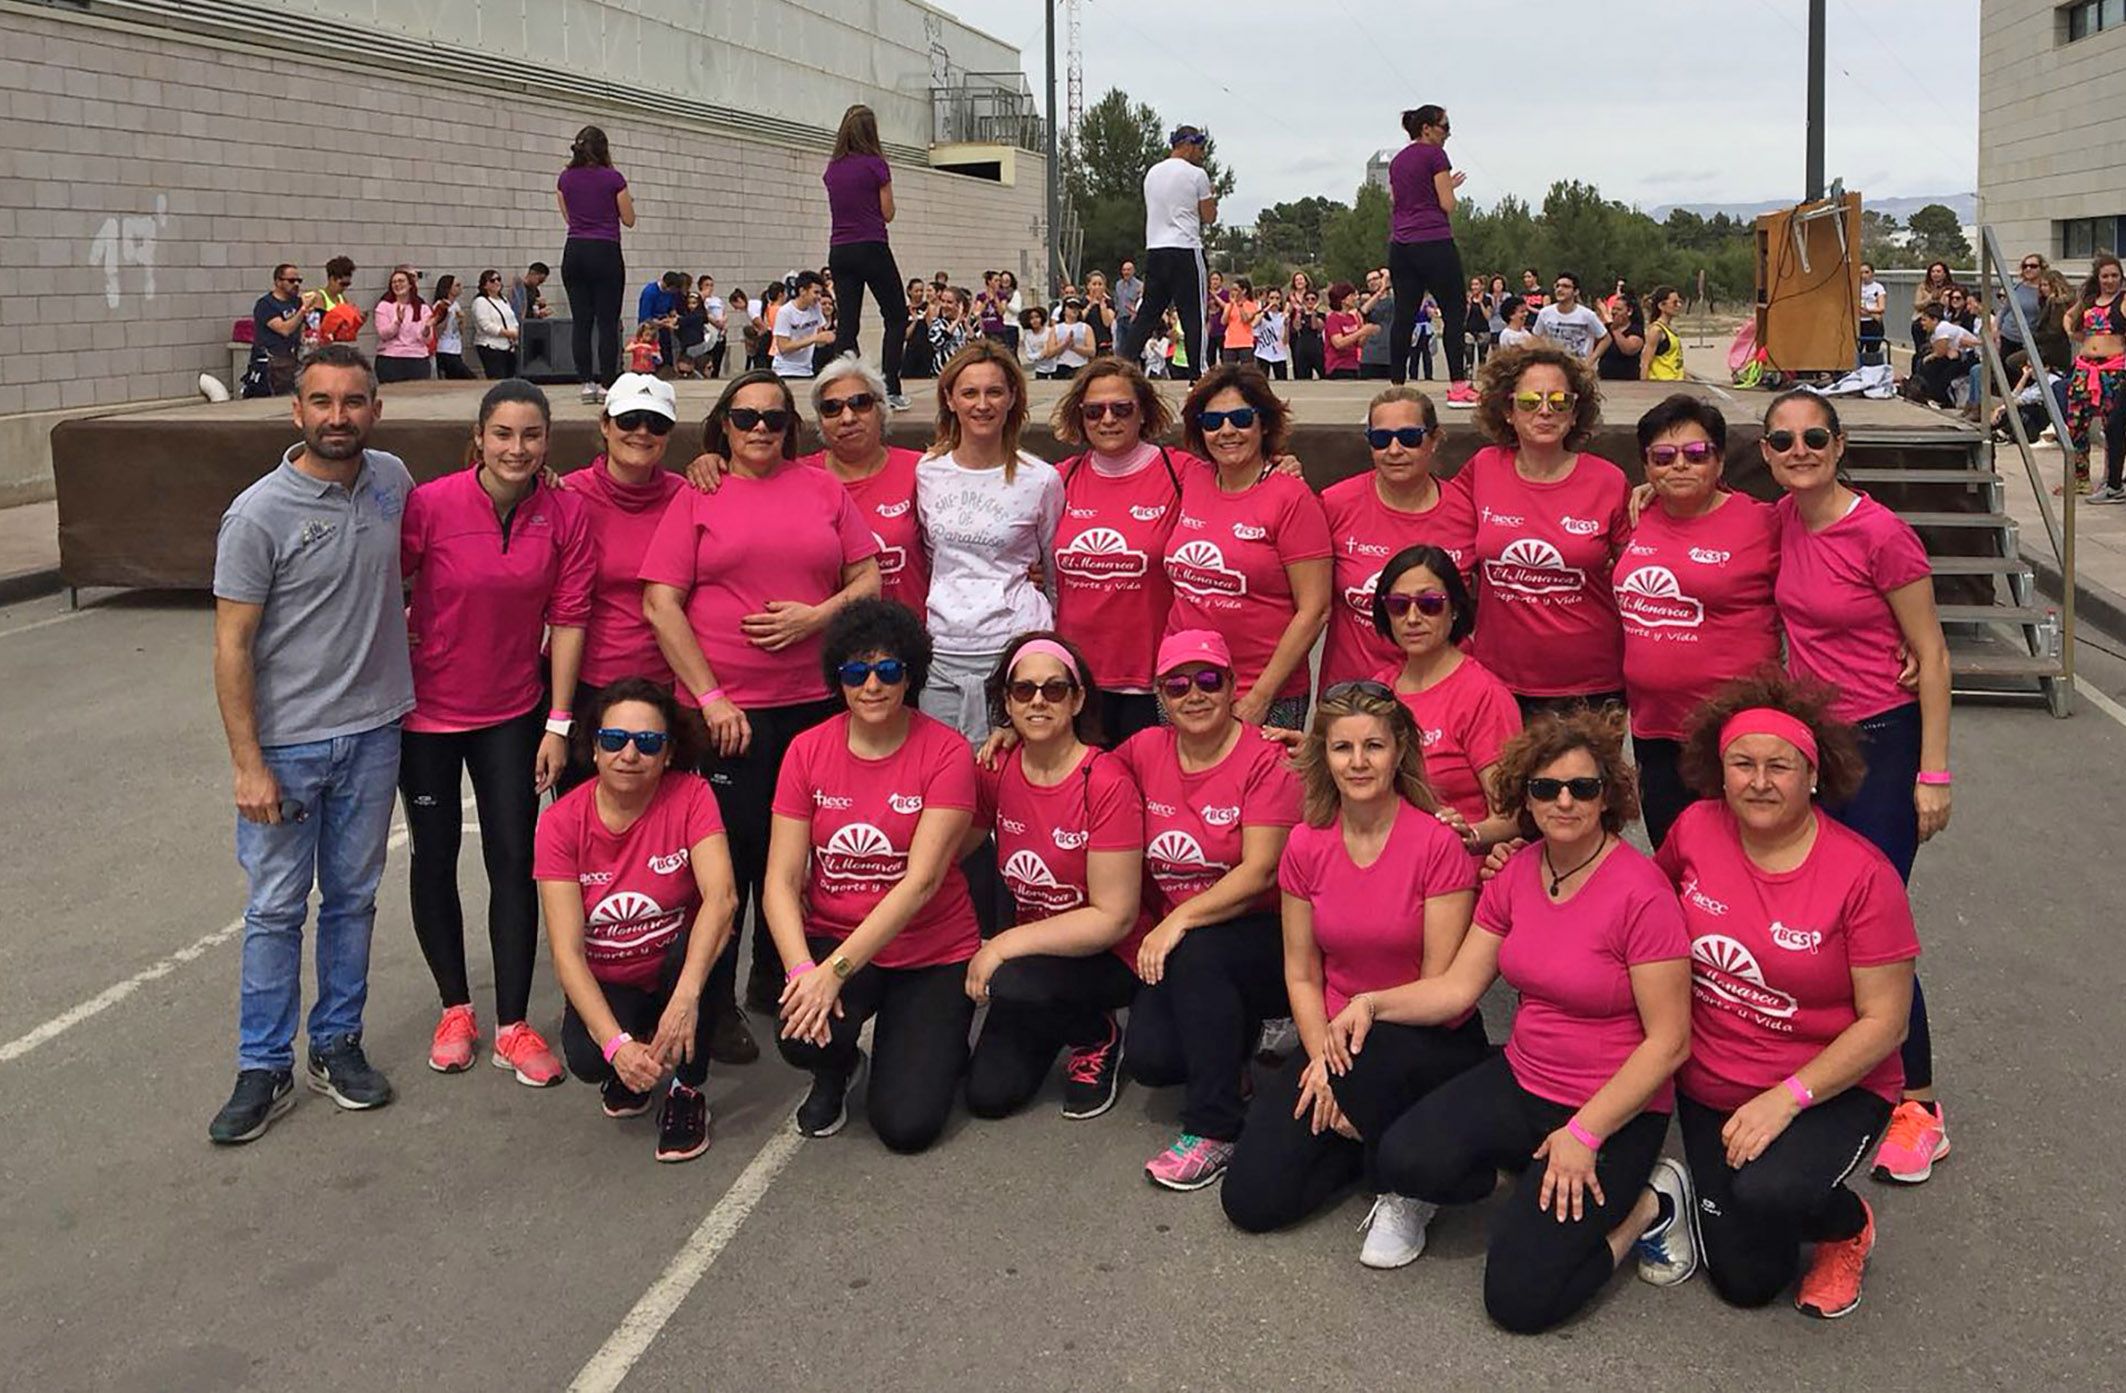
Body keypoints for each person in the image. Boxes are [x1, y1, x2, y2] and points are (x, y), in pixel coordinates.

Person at [1334, 708, 1691, 1333]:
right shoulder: (1518, 872)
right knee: (1402, 1156)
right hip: (1522, 1078)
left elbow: (1669, 1042)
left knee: (1520, 1302)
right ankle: (1529, 1179)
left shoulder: (1642, 894)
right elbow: (1457, 988)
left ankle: (1648, 1206)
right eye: (1545, 787)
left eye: (1583, 787)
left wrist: (1584, 1135)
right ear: (1524, 795)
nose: (1564, 801)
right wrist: (1370, 1003)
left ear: (1608, 796)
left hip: (1610, 1108)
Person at [1629, 673, 1917, 1318]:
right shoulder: (1697, 828)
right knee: (1746, 1283)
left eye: (1780, 766)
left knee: (1772, 1195)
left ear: (1813, 775)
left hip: (1823, 1086)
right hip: (1709, 1083)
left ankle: (1846, 1227)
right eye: (1743, 764)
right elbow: (1636, 905)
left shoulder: (1862, 875)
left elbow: (1886, 1022)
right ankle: (1683, 1186)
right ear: (1719, 771)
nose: (1759, 781)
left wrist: (1785, 1101)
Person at [207, 345, 410, 1143]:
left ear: (374, 409)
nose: (338, 416)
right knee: (275, 909)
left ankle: (336, 1044)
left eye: (353, 401)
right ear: (296, 411)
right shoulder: (258, 513)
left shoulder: (393, 481)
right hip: (287, 747)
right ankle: (262, 1065)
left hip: (374, 732)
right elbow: (231, 646)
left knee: (353, 900)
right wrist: (248, 763)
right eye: (321, 402)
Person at [1220, 678, 1490, 1263]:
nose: (1359, 762)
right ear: (1324, 755)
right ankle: (1359, 1150)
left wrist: (1351, 1080)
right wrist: (1322, 1060)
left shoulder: (1436, 844)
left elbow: (1439, 987)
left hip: (1422, 1033)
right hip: (1335, 1036)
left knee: (1384, 1125)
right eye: (1344, 747)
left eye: (1375, 746)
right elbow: (1301, 974)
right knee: (1251, 1201)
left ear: (1399, 752)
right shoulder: (1305, 845)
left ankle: (1399, 1168)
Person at [641, 371, 883, 1019]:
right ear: (723, 422)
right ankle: (713, 1002)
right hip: (726, 710)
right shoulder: (700, 491)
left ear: (790, 428)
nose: (758, 430)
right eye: (745, 417)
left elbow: (868, 576)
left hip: (812, 704)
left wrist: (816, 617)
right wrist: (712, 696)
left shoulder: (823, 487)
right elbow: (661, 604)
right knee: (729, 863)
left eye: (773, 420)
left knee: (799, 853)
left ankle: (774, 974)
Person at [1760, 389, 1953, 1185]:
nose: (1798, 449)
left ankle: (1922, 1106)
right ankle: (1846, 1075)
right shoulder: (1780, 519)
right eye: (1782, 440)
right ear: (1767, 453)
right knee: (1814, 916)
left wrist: (1934, 772)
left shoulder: (1881, 534)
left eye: (1814, 436)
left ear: (1838, 445)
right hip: (1817, 751)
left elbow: (1932, 654)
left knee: (1875, 929)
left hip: (1882, 741)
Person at [400, 378, 594, 1088]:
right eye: (504, 434)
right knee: (435, 856)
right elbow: (382, 585)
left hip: (513, 713)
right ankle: (456, 1009)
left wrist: (559, 720)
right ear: (480, 437)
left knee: (515, 861)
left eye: (532, 435)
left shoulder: (565, 514)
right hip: (424, 716)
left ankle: (513, 1021)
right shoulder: (431, 504)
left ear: (548, 441)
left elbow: (570, 619)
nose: (518, 448)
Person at [765, 600, 982, 1149]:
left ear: (909, 675)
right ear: (838, 679)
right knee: (799, 1030)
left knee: (906, 1127)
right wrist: (800, 973)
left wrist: (833, 971)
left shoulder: (947, 752)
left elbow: (923, 882)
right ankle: (837, 1069)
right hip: (836, 932)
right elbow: (781, 881)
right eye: (855, 672)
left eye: (888, 670)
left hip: (929, 948)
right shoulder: (806, 750)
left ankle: (934, 1037)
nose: (872, 686)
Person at [1118, 630, 1303, 1189]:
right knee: (1153, 1061)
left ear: (1231, 686)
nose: (1193, 695)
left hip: (1267, 935)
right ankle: (1236, 1058)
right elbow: (1075, 769)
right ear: (1160, 696)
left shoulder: (1266, 758)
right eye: (1177, 685)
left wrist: (1176, 919)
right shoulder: (1143, 750)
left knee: (1199, 950)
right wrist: (1007, 736)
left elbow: (1261, 870)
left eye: (1208, 681)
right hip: (1191, 946)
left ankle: (1214, 1129)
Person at [534, 680, 739, 1163]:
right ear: (594, 747)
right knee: (588, 1059)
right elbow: (566, 952)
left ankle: (688, 1092)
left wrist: (686, 997)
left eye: (648, 743)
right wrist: (616, 1045)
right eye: (614, 740)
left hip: (676, 966)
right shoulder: (561, 822)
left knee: (710, 943)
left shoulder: (692, 795)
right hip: (613, 975)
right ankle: (637, 1055)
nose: (630, 754)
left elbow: (723, 897)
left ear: (668, 753)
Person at [963, 633, 1144, 1120]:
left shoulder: (1104, 781)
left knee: (1013, 980)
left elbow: (1114, 918)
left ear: (1078, 697)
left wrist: (1000, 945)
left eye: (1054, 689)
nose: (1038, 700)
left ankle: (1095, 1034)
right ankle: (1051, 1020)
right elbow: (958, 847)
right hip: (1038, 952)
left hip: (1108, 955)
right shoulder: (996, 768)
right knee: (988, 1096)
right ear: (1006, 700)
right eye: (1023, 690)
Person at [1615, 396, 1780, 849]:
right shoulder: (1635, 516)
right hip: (1654, 729)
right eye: (1663, 457)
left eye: (1696, 454)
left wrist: (1901, 639)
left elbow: (1824, 584)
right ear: (1646, 466)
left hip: (1734, 731)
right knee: (1673, 856)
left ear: (1720, 459)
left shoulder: (1763, 522)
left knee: (1737, 860)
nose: (1680, 466)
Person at [1462, 340, 1629, 714]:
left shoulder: (1609, 481)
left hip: (1591, 684)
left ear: (1574, 414)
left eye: (1559, 402)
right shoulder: (1483, 468)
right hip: (1498, 679)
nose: (1544, 412)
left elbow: (1639, 570)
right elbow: (1427, 505)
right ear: (1508, 411)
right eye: (1529, 402)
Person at [1164, 365, 1331, 729]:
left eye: (1240, 418)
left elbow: (1315, 609)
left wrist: (1260, 696)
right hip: (1185, 684)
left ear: (1264, 423)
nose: (1226, 431)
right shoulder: (1188, 477)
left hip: (1262, 691)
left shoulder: (1291, 496)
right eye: (1213, 421)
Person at [1048, 360, 1202, 744]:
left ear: (1144, 412)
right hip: (1078, 680)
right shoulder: (1059, 478)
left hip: (1150, 682)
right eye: (1094, 411)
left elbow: (1241, 481)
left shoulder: (1180, 472)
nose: (1108, 420)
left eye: (1122, 409)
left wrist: (1280, 465)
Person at [556, 374, 688, 789]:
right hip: (588, 684)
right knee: (584, 817)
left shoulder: (690, 495)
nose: (642, 432)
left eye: (656, 423)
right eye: (629, 419)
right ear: (605, 424)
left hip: (668, 683)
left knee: (665, 824)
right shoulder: (566, 494)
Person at [1318, 387, 1474, 689]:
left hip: (1444, 691)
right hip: (1356, 697)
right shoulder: (1333, 503)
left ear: (1435, 439)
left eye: (1409, 438)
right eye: (1380, 439)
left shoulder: (1467, 509)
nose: (1394, 450)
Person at [1372, 545, 1522, 853]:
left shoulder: (1483, 694)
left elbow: (1510, 817)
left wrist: (1465, 834)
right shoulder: (1378, 689)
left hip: (1454, 867)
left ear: (1454, 608)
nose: (1413, 618)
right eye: (1399, 605)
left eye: (1429, 604)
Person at [821, 104, 912, 410]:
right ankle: (890, 389)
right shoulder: (876, 165)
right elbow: (888, 213)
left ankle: (844, 391)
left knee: (847, 324)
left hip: (839, 250)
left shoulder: (832, 169)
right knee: (896, 315)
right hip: (872, 245)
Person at [1385, 105, 1476, 405]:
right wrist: (1449, 190)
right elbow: (1447, 204)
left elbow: (1402, 200)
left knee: (1404, 315)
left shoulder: (1397, 161)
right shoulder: (1436, 155)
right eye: (1444, 127)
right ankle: (1459, 387)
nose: (1447, 133)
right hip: (1434, 240)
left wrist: (1441, 187)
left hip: (1401, 244)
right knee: (1453, 312)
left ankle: (1396, 386)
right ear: (1427, 128)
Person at [1118, 125, 1217, 381]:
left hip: (1156, 249)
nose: (1202, 154)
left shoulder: (1152, 173)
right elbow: (1209, 217)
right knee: (1193, 313)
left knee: (1149, 312)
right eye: (1200, 148)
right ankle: (1198, 374)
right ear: (1188, 144)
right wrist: (1210, 198)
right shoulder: (1197, 175)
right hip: (1185, 248)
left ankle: (1121, 366)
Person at [557, 124, 636, 403]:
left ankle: (586, 383)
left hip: (575, 249)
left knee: (581, 321)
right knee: (606, 321)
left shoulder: (565, 178)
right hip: (605, 251)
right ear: (604, 149)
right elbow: (628, 219)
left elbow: (568, 217)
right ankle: (606, 384)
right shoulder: (614, 178)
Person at [2067, 253, 2126, 500]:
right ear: (2098, 278)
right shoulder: (2089, 301)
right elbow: (2069, 318)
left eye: (2114, 276)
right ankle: (2080, 478)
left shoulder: (2123, 300)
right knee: (2076, 423)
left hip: (2113, 368)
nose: (2110, 280)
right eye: (2105, 276)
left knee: (2110, 426)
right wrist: (2078, 336)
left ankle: (2110, 479)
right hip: (2084, 367)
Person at [243, 264, 315, 398]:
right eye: (291, 281)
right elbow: (284, 329)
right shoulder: (266, 304)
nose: (296, 284)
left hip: (291, 360)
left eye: (299, 281)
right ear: (278, 282)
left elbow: (304, 327)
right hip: (271, 363)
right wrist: (303, 310)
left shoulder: (296, 302)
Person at [1913, 302, 1980, 408]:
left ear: (1934, 320)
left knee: (1939, 369)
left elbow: (1940, 352)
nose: (1922, 323)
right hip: (1957, 355)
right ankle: (1927, 392)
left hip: (1970, 355)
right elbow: (1941, 350)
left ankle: (1942, 399)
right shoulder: (1934, 333)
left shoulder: (1942, 328)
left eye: (1925, 320)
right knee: (1925, 363)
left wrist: (1930, 357)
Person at [767, 271, 831, 380]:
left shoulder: (816, 308)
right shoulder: (785, 312)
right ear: (802, 291)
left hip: (807, 369)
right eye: (815, 292)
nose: (819, 297)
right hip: (786, 370)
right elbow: (783, 347)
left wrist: (826, 338)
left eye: (820, 293)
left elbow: (819, 338)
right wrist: (814, 338)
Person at [1534, 272, 1609, 365]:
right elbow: (1536, 337)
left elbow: (1606, 338)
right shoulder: (1545, 313)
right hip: (1554, 367)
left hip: (1578, 367)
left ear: (1576, 291)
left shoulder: (1587, 315)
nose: (1560, 289)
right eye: (1557, 286)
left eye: (1566, 286)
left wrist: (1590, 360)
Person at [470, 269, 521, 380]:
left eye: (498, 279)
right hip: (491, 346)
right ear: (485, 285)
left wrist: (516, 331)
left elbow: (512, 319)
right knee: (497, 376)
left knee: (510, 376)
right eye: (492, 280)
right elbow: (486, 325)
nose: (497, 282)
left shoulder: (504, 300)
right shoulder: (481, 302)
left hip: (508, 346)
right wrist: (507, 333)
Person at [429, 275, 474, 380]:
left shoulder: (456, 305)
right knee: (468, 377)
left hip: (455, 348)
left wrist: (462, 320)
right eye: (457, 285)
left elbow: (460, 331)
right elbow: (438, 329)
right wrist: (446, 314)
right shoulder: (440, 305)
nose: (460, 288)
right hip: (444, 349)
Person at [1908, 261, 1957, 355]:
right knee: (1918, 327)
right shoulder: (1923, 287)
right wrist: (1930, 298)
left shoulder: (1951, 288)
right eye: (1933, 271)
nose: (1935, 274)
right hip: (1924, 317)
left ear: (1945, 274)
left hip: (1943, 319)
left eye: (1938, 271)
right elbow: (1917, 305)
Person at [1596, 292, 1645, 382]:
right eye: (1613, 309)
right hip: (1604, 379)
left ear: (1629, 311)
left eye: (1619, 309)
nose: (1614, 312)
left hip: (1628, 381)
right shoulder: (1605, 329)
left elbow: (1628, 349)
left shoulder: (1636, 330)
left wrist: (1615, 329)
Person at [1641, 286, 1686, 381]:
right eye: (1674, 303)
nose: (1678, 306)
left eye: (1679, 302)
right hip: (1660, 383)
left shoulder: (1670, 329)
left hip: (1675, 381)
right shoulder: (1657, 330)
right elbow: (1645, 362)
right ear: (1661, 306)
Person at [1358, 270, 1397, 380]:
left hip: (1390, 354)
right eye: (1369, 281)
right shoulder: (1368, 301)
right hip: (1370, 355)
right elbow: (1364, 310)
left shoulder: (1393, 300)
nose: (1372, 282)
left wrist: (1388, 278)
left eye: (1375, 279)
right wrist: (1381, 290)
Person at [1322, 283, 1366, 379]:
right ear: (1343, 300)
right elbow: (1338, 343)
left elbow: (1360, 344)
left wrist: (1364, 329)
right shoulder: (1333, 318)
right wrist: (1360, 332)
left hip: (1353, 365)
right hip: (1337, 367)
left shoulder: (1352, 317)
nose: (1355, 298)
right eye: (1352, 295)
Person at [1050, 298, 1096, 380]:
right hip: (1062, 366)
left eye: (1077, 308)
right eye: (1071, 307)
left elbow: (1092, 351)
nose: (1074, 310)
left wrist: (1074, 347)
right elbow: (1050, 352)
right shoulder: (1056, 329)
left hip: (1080, 366)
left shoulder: (1086, 328)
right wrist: (1064, 344)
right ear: (1064, 310)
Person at [1252, 288, 1291, 379]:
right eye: (1272, 298)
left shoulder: (1283, 316)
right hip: (1263, 354)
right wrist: (1266, 309)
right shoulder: (1262, 315)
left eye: (1277, 298)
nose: (1274, 301)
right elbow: (1253, 324)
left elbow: (1285, 341)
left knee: (1282, 383)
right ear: (1267, 299)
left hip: (1279, 356)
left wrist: (1286, 325)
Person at [1222, 278, 1260, 368]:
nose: (1233, 292)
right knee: (1228, 371)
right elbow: (1223, 321)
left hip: (1245, 343)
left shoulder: (1251, 305)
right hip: (1230, 343)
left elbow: (1246, 320)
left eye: (1236, 290)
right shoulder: (1228, 305)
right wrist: (1231, 304)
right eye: (1232, 289)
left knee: (1247, 371)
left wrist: (1240, 306)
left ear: (1244, 291)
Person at [1291, 287, 1326, 381]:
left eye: (1313, 299)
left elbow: (1316, 327)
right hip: (1302, 348)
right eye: (1307, 299)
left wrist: (1314, 312)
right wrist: (1298, 312)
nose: (1310, 301)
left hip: (1316, 348)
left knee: (1324, 375)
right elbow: (1296, 327)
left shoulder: (1321, 315)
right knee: (1303, 378)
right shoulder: (1300, 314)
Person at [1856, 263, 1887, 361]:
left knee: (1872, 351)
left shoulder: (1878, 287)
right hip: (1859, 322)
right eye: (1861, 273)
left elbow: (1881, 308)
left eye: (1866, 272)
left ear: (1872, 273)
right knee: (1857, 349)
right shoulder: (1856, 287)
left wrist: (1868, 310)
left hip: (1872, 321)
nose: (1864, 275)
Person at [1017, 304, 1055, 378]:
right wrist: (1040, 354)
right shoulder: (1028, 336)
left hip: (1054, 368)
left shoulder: (1050, 331)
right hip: (1040, 369)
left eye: (1037, 317)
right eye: (1031, 318)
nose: (1035, 320)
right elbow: (1029, 355)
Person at [1115, 258, 1144, 344]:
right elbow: (1116, 299)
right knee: (1120, 346)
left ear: (1133, 271)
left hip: (1132, 320)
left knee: (1131, 344)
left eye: (1128, 270)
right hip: (1120, 319)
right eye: (1124, 270)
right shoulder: (1118, 284)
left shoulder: (1139, 285)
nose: (1126, 272)